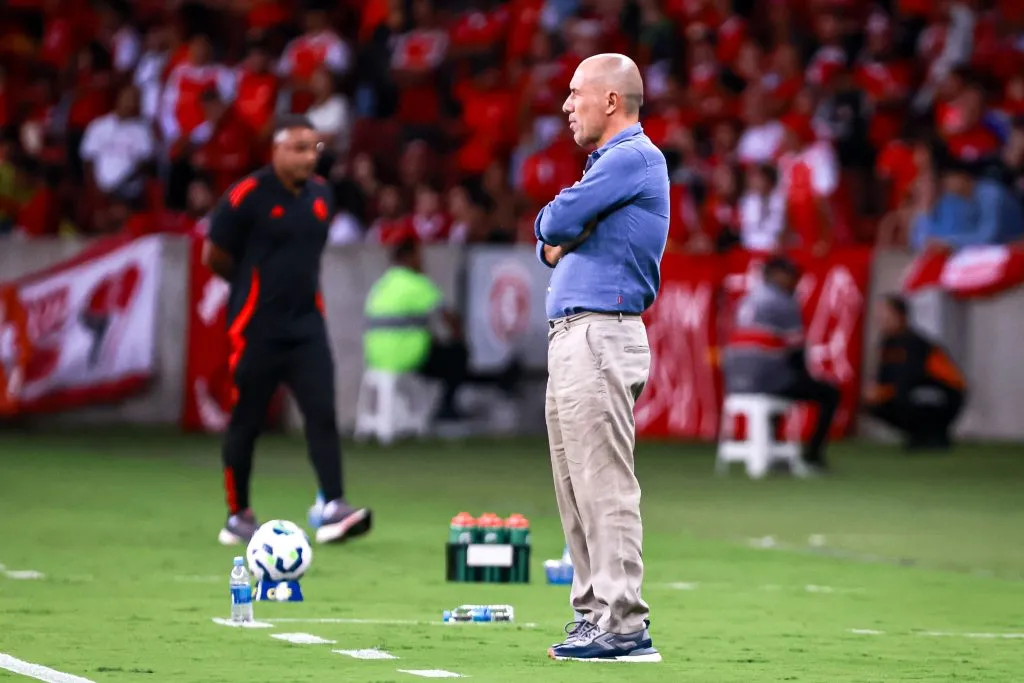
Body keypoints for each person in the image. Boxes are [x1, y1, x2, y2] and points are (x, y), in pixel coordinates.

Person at [535, 53, 667, 663]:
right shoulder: (605, 168)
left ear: (611, 100)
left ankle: (625, 623)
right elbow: (551, 235)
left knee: (603, 482)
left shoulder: (632, 158)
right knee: (573, 486)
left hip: (600, 332)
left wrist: (561, 228)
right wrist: (557, 235)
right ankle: (593, 614)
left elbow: (557, 218)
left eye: (574, 93)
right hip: (572, 335)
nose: (566, 106)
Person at [202, 114, 372, 546]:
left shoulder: (321, 195)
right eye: (298, 147)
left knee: (321, 414)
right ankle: (238, 513)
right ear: (275, 150)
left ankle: (333, 505)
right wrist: (248, 286)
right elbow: (214, 255)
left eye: (314, 148)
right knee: (247, 421)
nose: (308, 157)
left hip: (306, 326)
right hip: (255, 327)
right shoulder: (248, 195)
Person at [363, 238, 519, 421]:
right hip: (407, 357)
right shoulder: (415, 283)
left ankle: (493, 381)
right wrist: (460, 337)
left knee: (449, 362)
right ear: (408, 257)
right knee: (457, 355)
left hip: (376, 358)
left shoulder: (380, 286)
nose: (422, 262)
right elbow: (449, 318)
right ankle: (448, 407)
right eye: (418, 256)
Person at [723, 255, 839, 471]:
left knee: (783, 379)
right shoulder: (782, 302)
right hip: (766, 379)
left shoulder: (746, 300)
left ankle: (773, 448)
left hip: (735, 382)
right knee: (828, 393)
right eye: (790, 275)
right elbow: (796, 351)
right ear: (775, 274)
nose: (794, 280)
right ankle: (813, 455)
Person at [863, 294, 966, 450]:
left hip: (946, 393)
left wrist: (885, 392)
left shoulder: (914, 342)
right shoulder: (887, 342)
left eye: (885, 313)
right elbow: (884, 376)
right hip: (912, 390)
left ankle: (934, 434)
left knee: (906, 396)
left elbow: (911, 377)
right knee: (875, 403)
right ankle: (919, 435)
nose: (880, 318)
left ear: (900, 316)